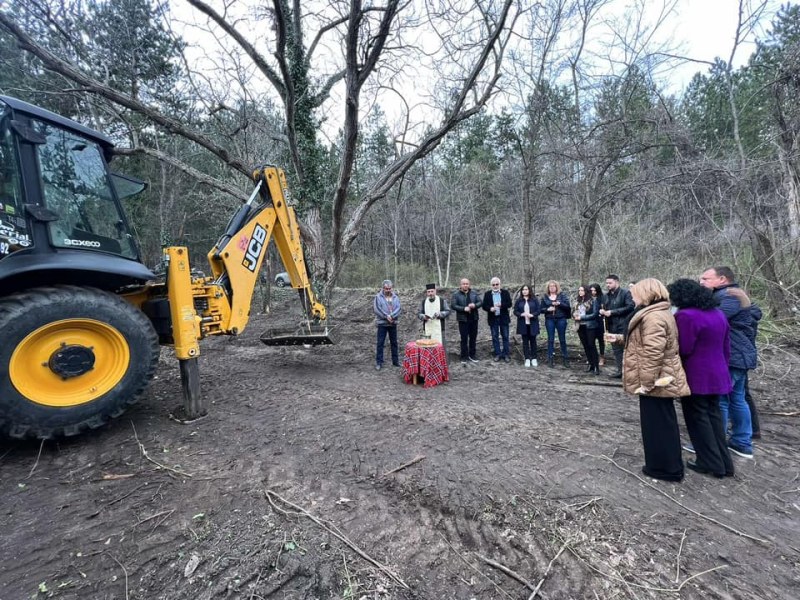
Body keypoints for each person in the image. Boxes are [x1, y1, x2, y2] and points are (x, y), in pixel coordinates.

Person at [623, 278, 690, 482]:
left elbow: (653, 353)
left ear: (646, 293)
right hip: (660, 378)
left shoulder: (653, 317)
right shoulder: (660, 312)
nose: (632, 297)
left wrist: (647, 383)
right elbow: (647, 342)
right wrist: (620, 339)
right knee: (662, 422)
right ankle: (666, 465)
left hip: (657, 381)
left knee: (658, 425)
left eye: (634, 293)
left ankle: (665, 469)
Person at [668, 279, 734, 478]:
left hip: (697, 375)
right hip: (719, 372)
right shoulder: (718, 313)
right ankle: (724, 463)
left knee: (698, 419)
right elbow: (726, 345)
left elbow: (684, 348)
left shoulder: (686, 316)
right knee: (714, 417)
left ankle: (709, 462)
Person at [699, 266, 757, 459]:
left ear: (722, 279)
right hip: (737, 355)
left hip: (733, 355)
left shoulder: (730, 296)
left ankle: (715, 441)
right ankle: (741, 442)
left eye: (706, 279)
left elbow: (714, 320)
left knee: (721, 400)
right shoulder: (731, 294)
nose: (702, 282)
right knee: (736, 398)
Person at [600, 274, 635, 378]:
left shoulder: (625, 293)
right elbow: (604, 308)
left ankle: (629, 373)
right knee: (616, 351)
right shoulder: (605, 296)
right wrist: (602, 311)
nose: (608, 285)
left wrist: (612, 312)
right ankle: (620, 371)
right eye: (606, 283)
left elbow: (630, 307)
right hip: (610, 326)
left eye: (610, 283)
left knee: (626, 350)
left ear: (617, 282)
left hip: (623, 326)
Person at [451, 278, 483, 364]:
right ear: (460, 285)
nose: (465, 285)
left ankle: (472, 355)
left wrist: (474, 305)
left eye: (467, 284)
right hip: (463, 320)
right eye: (464, 284)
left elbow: (480, 302)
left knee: (473, 338)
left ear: (469, 284)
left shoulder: (474, 293)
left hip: (474, 319)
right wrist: (463, 308)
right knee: (464, 338)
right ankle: (463, 356)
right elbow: (453, 305)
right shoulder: (456, 295)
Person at [540, 280, 571, 368]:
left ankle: (565, 359)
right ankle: (550, 359)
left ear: (557, 287)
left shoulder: (562, 295)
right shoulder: (545, 297)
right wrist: (547, 310)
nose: (552, 287)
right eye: (550, 286)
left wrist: (559, 303)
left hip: (561, 319)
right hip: (550, 319)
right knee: (550, 339)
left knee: (562, 339)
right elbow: (540, 309)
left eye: (554, 286)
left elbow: (568, 307)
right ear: (548, 288)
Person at [573, 284, 602, 375]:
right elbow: (573, 311)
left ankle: (596, 366)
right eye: (579, 290)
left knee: (591, 345)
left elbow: (595, 314)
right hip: (580, 326)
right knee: (585, 345)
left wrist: (582, 317)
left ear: (586, 291)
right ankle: (591, 364)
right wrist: (574, 315)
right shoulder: (577, 301)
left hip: (590, 326)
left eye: (582, 290)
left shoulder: (593, 301)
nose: (580, 292)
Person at [483, 277, 512, 363]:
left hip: (503, 318)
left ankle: (506, 354)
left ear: (500, 284)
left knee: (505, 336)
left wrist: (501, 305)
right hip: (493, 318)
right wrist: (490, 308)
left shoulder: (505, 293)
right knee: (495, 337)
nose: (495, 286)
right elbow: (484, 306)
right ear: (491, 285)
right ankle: (498, 354)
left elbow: (509, 304)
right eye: (493, 285)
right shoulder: (487, 294)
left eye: (497, 284)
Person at [373, 279, 401, 370]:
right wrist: (386, 316)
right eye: (386, 288)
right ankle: (379, 362)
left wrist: (392, 316)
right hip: (382, 324)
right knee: (380, 343)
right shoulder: (378, 297)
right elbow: (377, 309)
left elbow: (398, 308)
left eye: (389, 288)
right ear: (383, 288)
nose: (388, 290)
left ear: (392, 288)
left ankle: (395, 361)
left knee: (394, 343)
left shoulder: (396, 297)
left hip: (393, 323)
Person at [418, 283, 450, 351]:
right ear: (426, 293)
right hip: (427, 328)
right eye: (428, 292)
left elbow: (447, 311)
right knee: (428, 347)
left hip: (439, 328)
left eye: (432, 291)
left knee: (440, 347)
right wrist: (424, 316)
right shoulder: (423, 302)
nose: (430, 293)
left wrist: (440, 314)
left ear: (435, 291)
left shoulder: (442, 301)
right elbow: (419, 313)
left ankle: (439, 361)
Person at [513, 284, 540, 367]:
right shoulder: (519, 300)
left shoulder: (534, 299)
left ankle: (534, 358)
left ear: (529, 290)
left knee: (533, 341)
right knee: (525, 342)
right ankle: (527, 358)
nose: (524, 291)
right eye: (523, 290)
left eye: (526, 289)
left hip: (533, 323)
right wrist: (521, 314)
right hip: (523, 324)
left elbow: (539, 310)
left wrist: (533, 315)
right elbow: (515, 311)